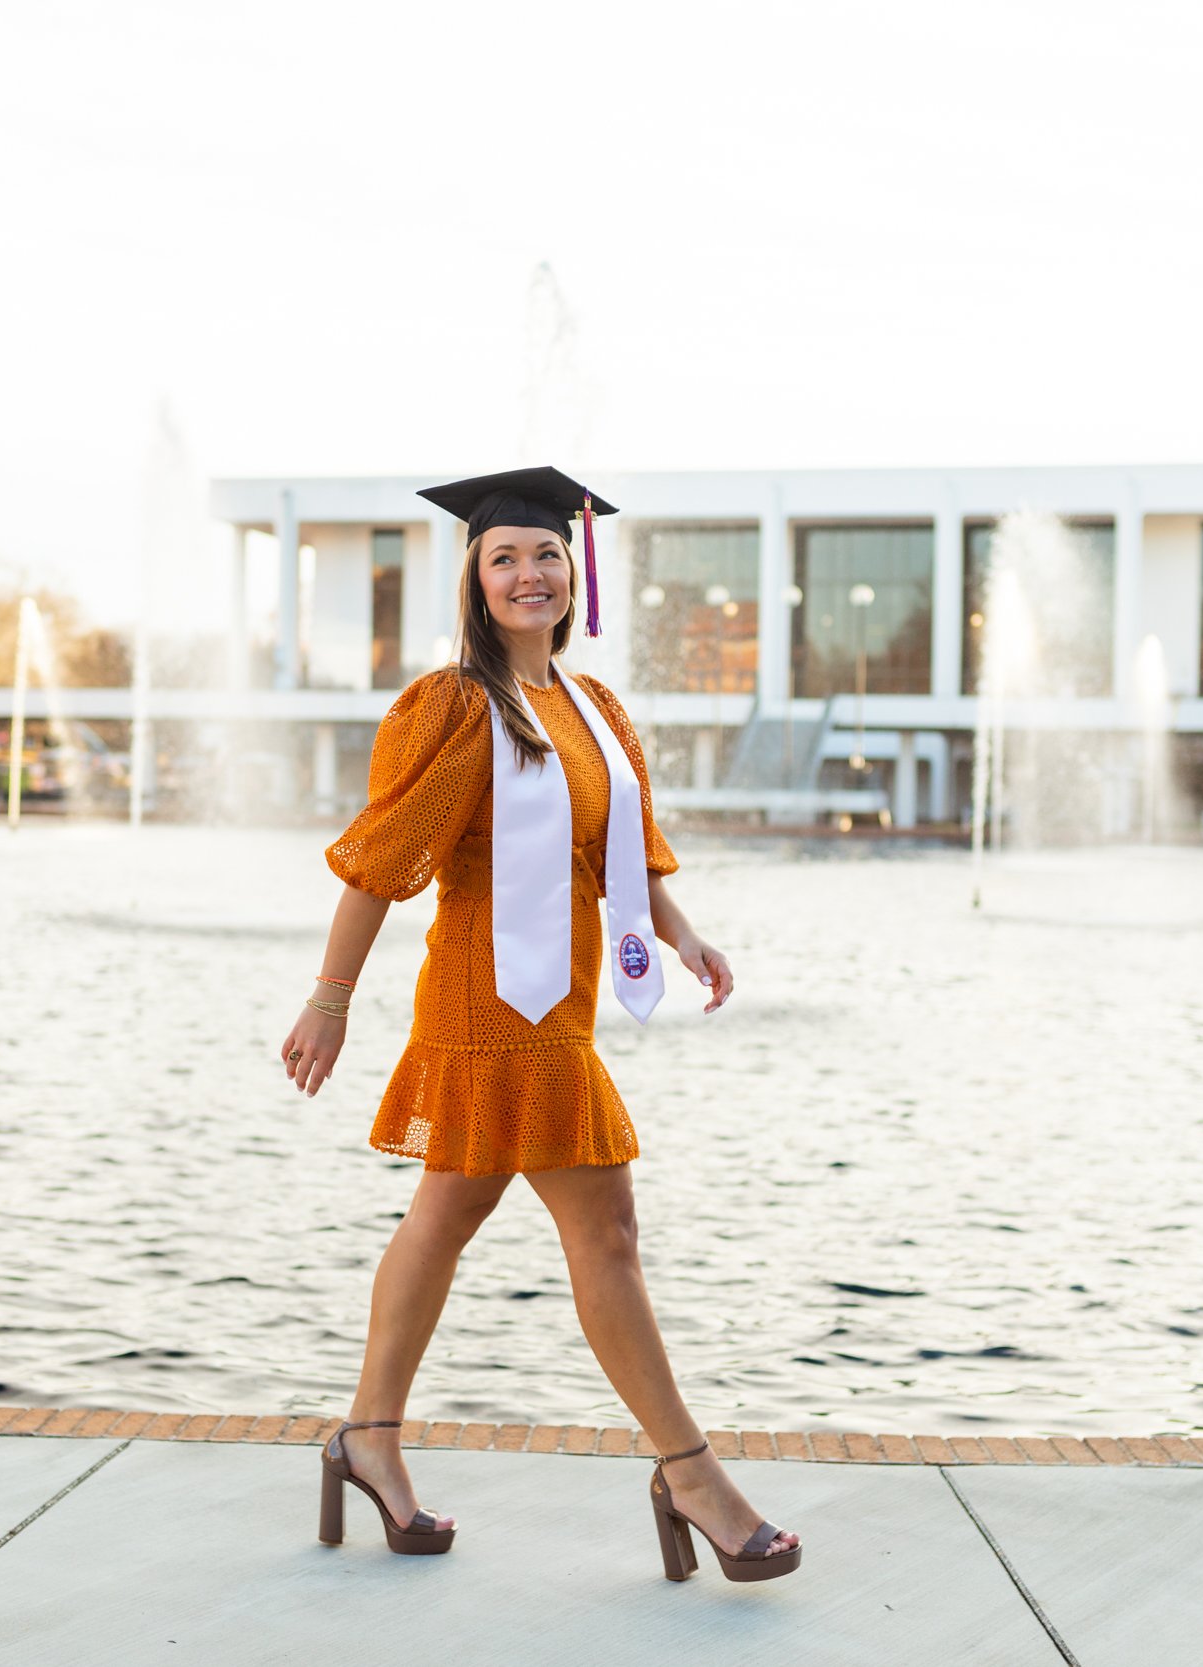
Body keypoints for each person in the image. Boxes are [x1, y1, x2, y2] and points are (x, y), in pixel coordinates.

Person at [281, 466, 802, 1583]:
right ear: (474, 577)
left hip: (559, 997)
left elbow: (621, 851)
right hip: (488, 1002)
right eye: (505, 556)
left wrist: (684, 934)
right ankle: (690, 1471)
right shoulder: (455, 704)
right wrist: (330, 999)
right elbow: (379, 864)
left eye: (547, 554)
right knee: (602, 1222)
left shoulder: (593, 708)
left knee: (445, 1217)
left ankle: (367, 1436)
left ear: (576, 573)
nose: (530, 573)